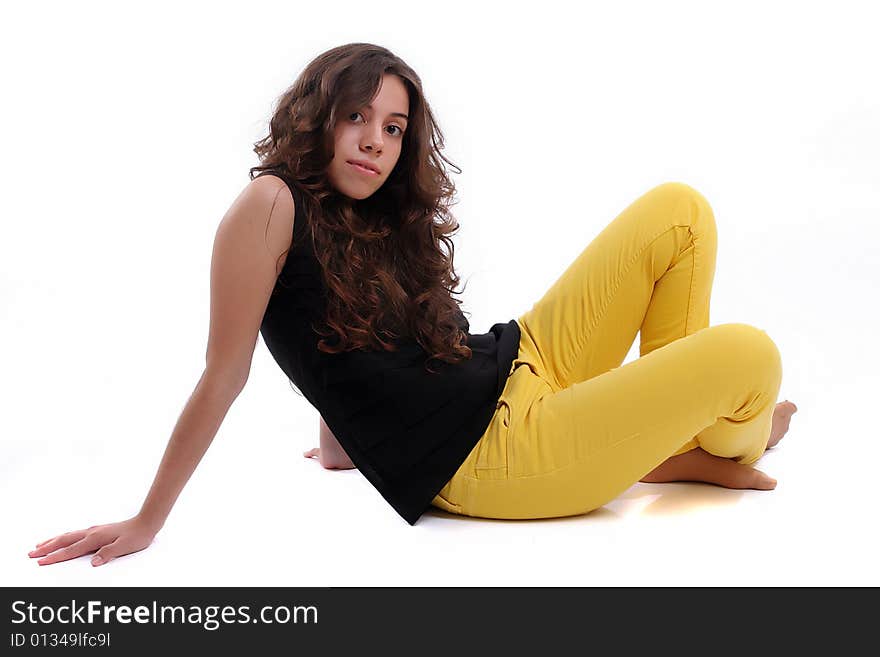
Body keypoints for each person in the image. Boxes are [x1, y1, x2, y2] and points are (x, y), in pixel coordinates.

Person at [29, 43, 797, 567]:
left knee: (679, 210)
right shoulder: (267, 206)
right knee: (749, 355)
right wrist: (147, 520)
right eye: (356, 117)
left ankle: (674, 443)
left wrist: (341, 443)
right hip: (496, 454)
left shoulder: (376, 215)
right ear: (315, 116)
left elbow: (343, 341)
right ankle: (717, 441)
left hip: (517, 364)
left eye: (393, 128)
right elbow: (224, 374)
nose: (374, 142)